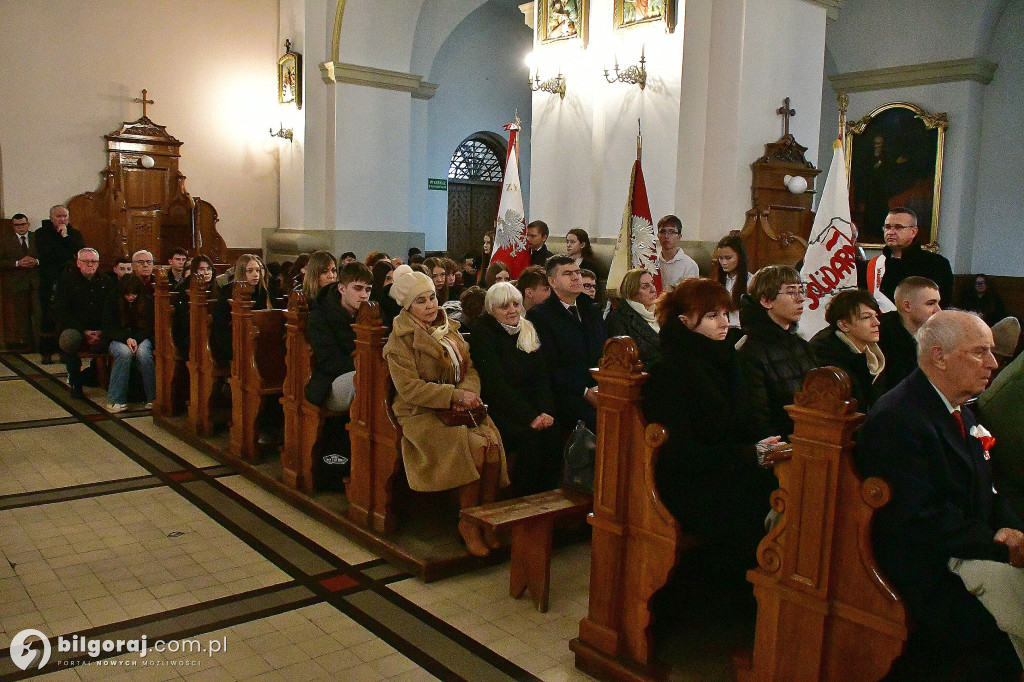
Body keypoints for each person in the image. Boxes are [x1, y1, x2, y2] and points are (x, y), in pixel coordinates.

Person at [856, 311, 1024, 680]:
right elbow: (916, 519)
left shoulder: (959, 406)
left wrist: (1014, 532)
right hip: (920, 566)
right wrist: (998, 546)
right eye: (980, 353)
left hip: (961, 546)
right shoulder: (898, 418)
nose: (993, 364)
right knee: (998, 640)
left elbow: (991, 488)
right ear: (939, 356)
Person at [642, 278, 779, 584]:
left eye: (726, 314)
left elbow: (743, 420)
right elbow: (680, 454)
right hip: (690, 484)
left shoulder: (726, 357)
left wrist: (763, 445)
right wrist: (749, 454)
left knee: (790, 494)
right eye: (712, 316)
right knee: (759, 506)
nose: (725, 323)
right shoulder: (668, 370)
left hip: (728, 468)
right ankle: (739, 597)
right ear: (684, 321)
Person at [382, 265, 509, 557]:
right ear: (408, 306)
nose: (430, 305)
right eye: (421, 301)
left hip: (460, 406)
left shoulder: (449, 328)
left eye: (431, 297)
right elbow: (410, 389)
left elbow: (469, 369)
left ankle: (485, 518)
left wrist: (469, 394)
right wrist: (454, 395)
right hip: (421, 411)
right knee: (476, 447)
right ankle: (467, 522)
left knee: (491, 445)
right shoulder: (399, 341)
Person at [468, 282, 560, 496]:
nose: (512, 311)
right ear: (492, 309)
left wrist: (546, 411)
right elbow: (495, 385)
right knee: (531, 438)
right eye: (504, 307)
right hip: (501, 407)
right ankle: (524, 503)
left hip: (532, 405)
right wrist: (529, 416)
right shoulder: (483, 332)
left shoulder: (527, 328)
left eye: (516, 305)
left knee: (553, 432)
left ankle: (548, 501)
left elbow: (542, 378)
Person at [527, 255, 606, 430]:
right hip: (565, 393)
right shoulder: (541, 315)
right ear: (552, 282)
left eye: (577, 272)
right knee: (601, 422)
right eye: (568, 273)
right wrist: (585, 391)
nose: (575, 277)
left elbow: (602, 352)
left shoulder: (591, 309)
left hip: (599, 387)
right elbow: (552, 365)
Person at [737, 265, 815, 439]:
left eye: (801, 291)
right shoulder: (750, 352)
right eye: (791, 292)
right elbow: (757, 420)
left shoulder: (802, 345)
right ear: (766, 301)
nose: (801, 298)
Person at [306, 262, 372, 411]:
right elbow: (329, 361)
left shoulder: (372, 313)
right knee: (366, 380)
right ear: (341, 288)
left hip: (363, 369)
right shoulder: (320, 316)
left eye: (368, 290)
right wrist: (363, 362)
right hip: (328, 382)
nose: (364, 295)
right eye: (358, 288)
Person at [808, 290, 886, 412]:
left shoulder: (875, 352)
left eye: (875, 316)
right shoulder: (825, 355)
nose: (877, 323)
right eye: (866, 317)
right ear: (844, 325)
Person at [865, 207, 953, 309]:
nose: (891, 232)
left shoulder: (936, 263)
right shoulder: (874, 264)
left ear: (913, 232)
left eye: (898, 227)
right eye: (887, 227)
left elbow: (941, 304)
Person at [52, 248, 109, 398]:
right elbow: (62, 312)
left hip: (101, 327)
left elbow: (111, 310)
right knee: (69, 340)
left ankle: (104, 379)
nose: (90, 265)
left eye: (94, 262)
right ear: (78, 263)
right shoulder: (66, 282)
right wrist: (83, 331)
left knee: (115, 337)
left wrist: (101, 330)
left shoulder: (106, 281)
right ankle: (75, 382)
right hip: (75, 327)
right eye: (86, 261)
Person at [35, 205, 84, 363]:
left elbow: (79, 251)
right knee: (48, 315)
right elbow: (47, 254)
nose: (62, 219)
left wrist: (65, 237)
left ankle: (65, 349)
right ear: (51, 218)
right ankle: (46, 352)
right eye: (59, 216)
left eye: (65, 216)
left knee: (66, 315)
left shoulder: (74, 233)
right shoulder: (41, 234)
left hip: (69, 279)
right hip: (49, 279)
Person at [102, 273, 155, 412]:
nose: (131, 297)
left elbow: (149, 327)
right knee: (124, 353)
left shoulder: (147, 301)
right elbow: (109, 327)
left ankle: (154, 398)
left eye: (134, 294)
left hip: (141, 337)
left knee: (144, 354)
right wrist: (126, 338)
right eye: (127, 294)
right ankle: (115, 400)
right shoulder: (112, 300)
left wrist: (136, 339)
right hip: (117, 338)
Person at [878, 276, 941, 391]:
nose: (938, 310)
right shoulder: (881, 338)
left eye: (938, 303)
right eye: (930, 303)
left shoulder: (938, 334)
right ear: (907, 306)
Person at [211, 255, 272, 365]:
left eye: (258, 270)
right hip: (233, 344)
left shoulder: (262, 291)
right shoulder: (228, 293)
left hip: (256, 342)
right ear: (241, 272)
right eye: (250, 271)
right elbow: (221, 329)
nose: (255, 274)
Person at [0, 213, 41, 350]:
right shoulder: (5, 241)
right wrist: (17, 263)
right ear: (13, 226)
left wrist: (36, 261)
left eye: (23, 224)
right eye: (17, 225)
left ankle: (40, 343)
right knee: (22, 315)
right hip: (17, 282)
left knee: (38, 312)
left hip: (36, 281)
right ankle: (27, 344)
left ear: (28, 224)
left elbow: (48, 256)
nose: (21, 227)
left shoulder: (37, 237)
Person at [606, 268, 661, 368]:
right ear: (632, 291)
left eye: (652, 283)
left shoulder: (661, 313)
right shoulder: (618, 318)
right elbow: (622, 363)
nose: (653, 289)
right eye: (645, 287)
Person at [172, 255, 215, 355]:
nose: (206, 272)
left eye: (209, 269)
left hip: (209, 331)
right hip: (188, 333)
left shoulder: (217, 287)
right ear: (194, 271)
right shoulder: (184, 289)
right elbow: (182, 320)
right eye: (202, 269)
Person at [714, 234, 751, 332]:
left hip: (741, 330)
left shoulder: (751, 281)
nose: (724, 262)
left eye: (728, 258)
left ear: (740, 257)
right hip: (721, 329)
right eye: (720, 258)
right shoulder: (718, 282)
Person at [656, 215, 699, 290]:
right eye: (663, 231)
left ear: (679, 236)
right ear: (658, 236)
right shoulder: (653, 262)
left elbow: (691, 295)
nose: (666, 236)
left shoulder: (689, 265)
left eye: (671, 232)